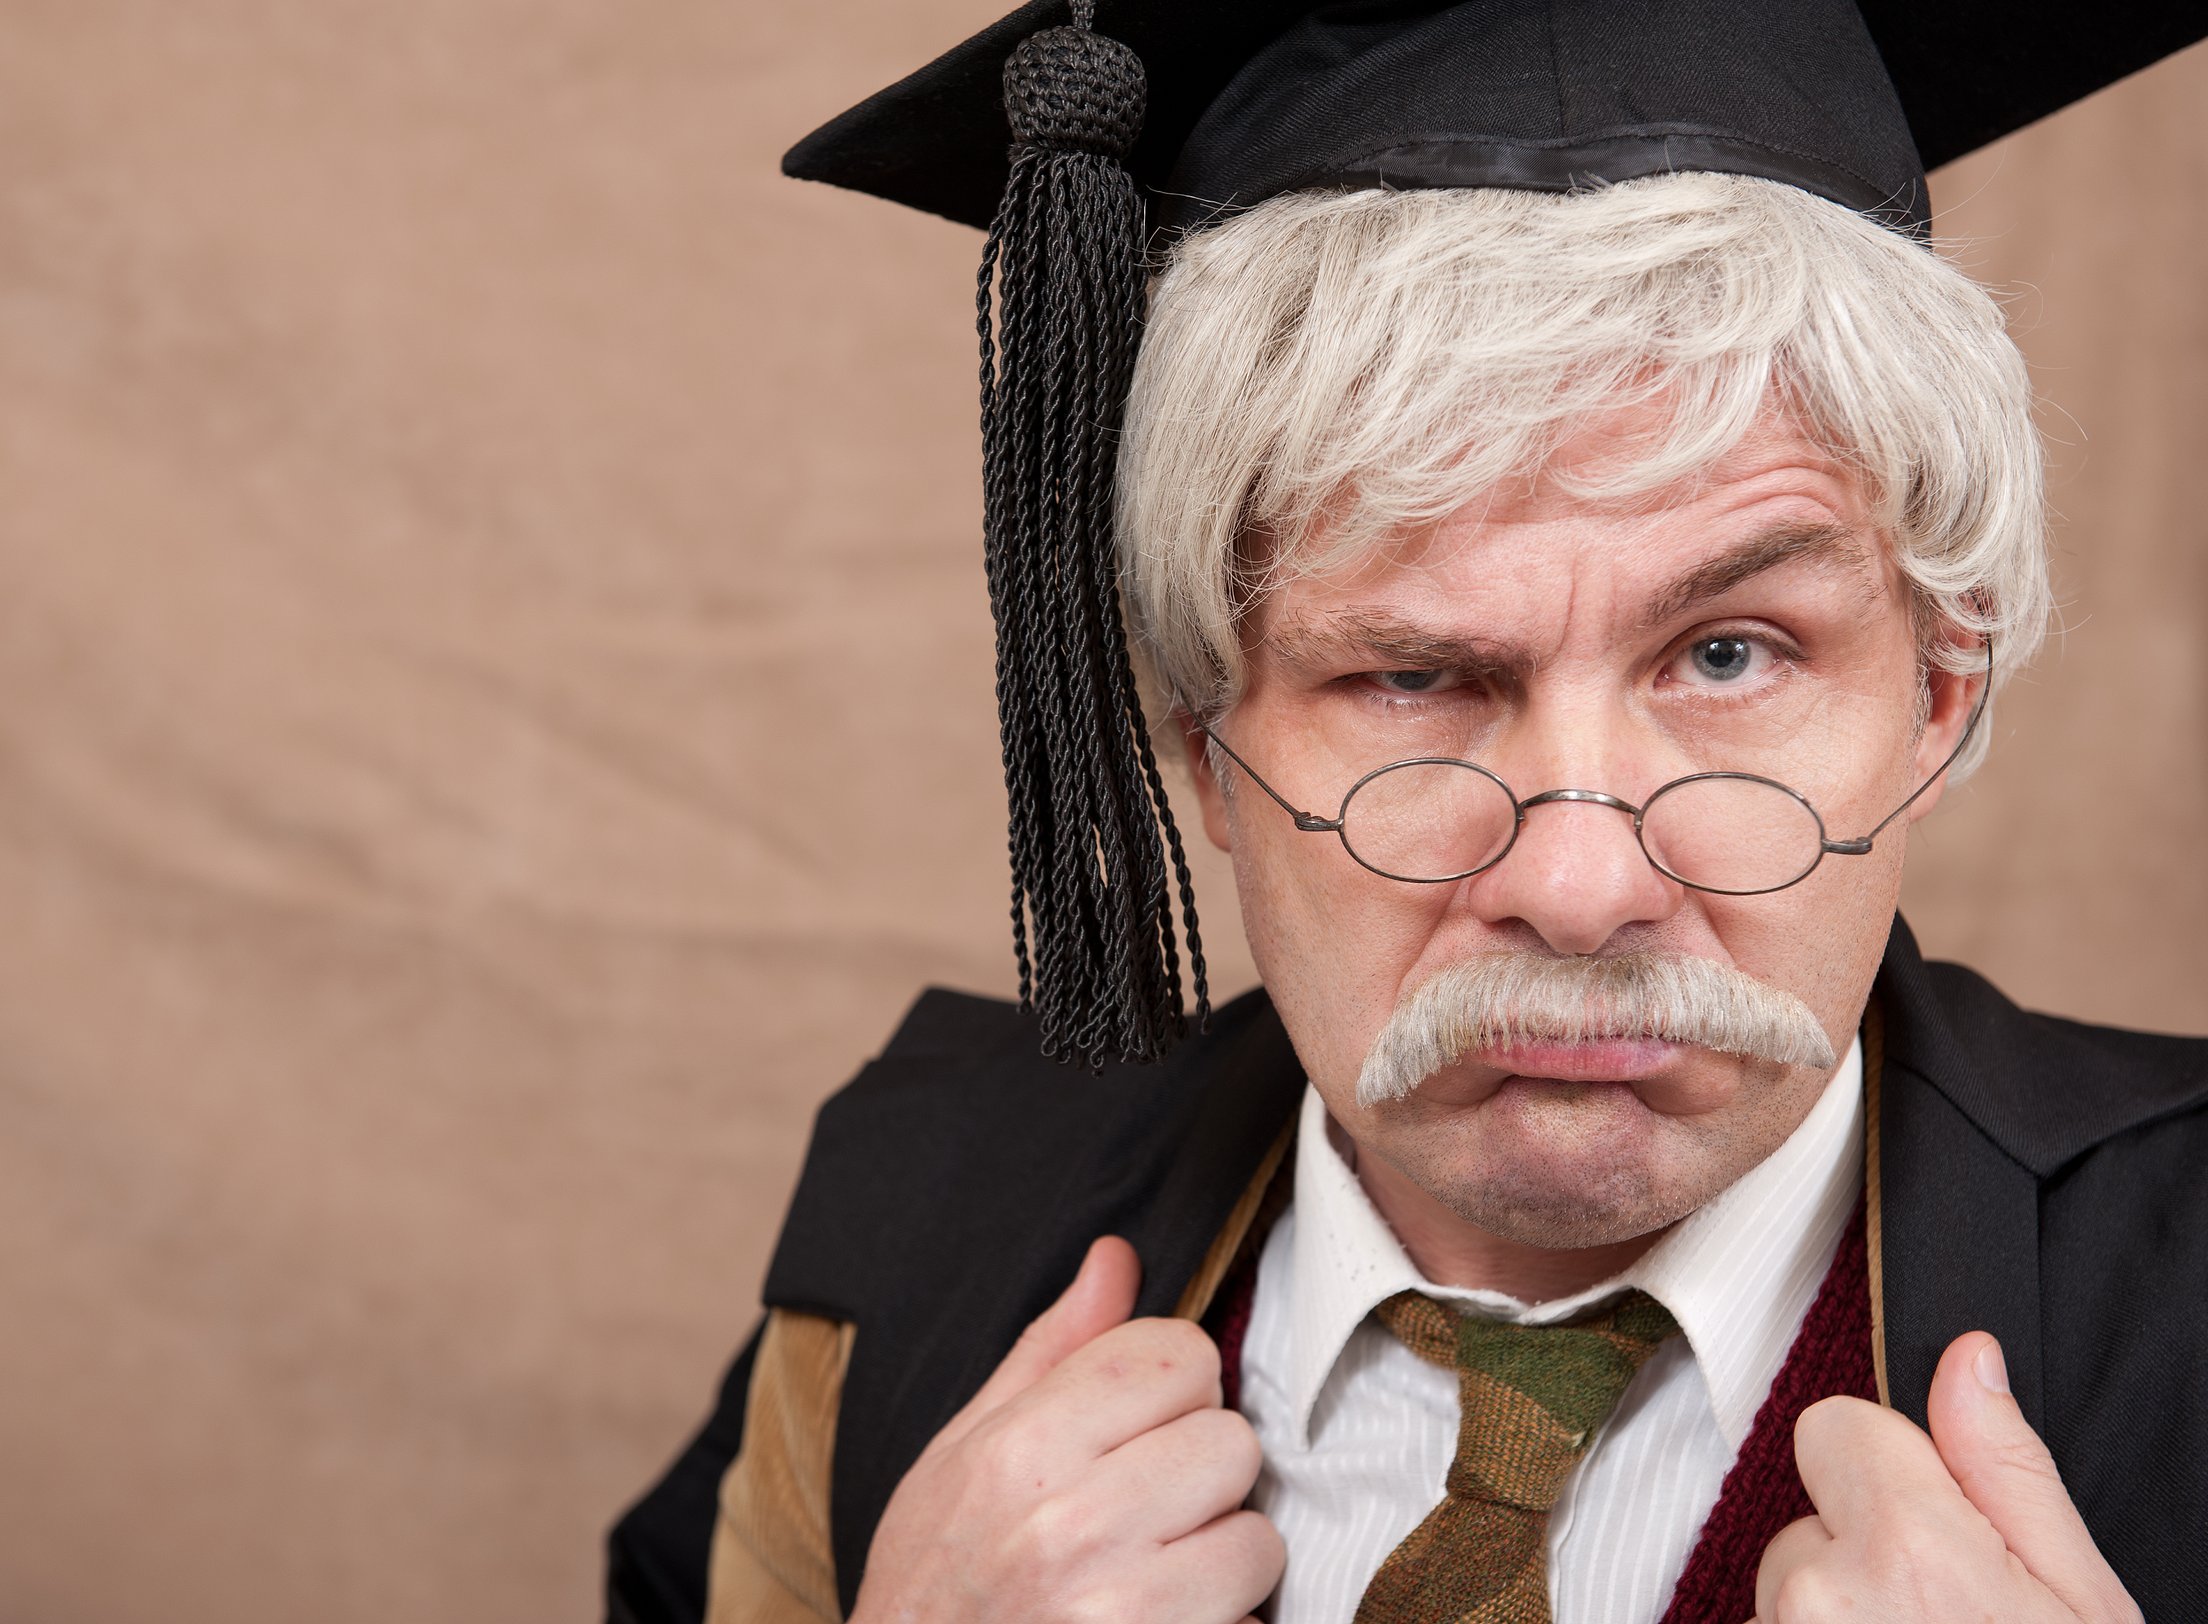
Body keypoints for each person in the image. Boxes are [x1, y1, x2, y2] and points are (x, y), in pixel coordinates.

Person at [609, 2, 2208, 1620]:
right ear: (1197, 732)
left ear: (1938, 694)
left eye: (1730, 654)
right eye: (1412, 681)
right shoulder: (903, 1289)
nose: (1580, 887)